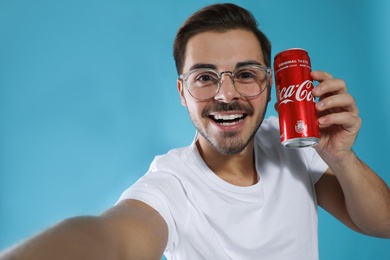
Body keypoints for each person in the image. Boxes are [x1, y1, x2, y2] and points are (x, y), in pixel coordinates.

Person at [1, 3, 389, 260]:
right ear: (182, 93)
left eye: (246, 74)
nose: (226, 94)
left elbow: (383, 225)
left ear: (270, 87)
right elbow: (110, 239)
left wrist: (341, 156)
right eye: (204, 77)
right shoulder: (169, 186)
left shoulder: (295, 147)